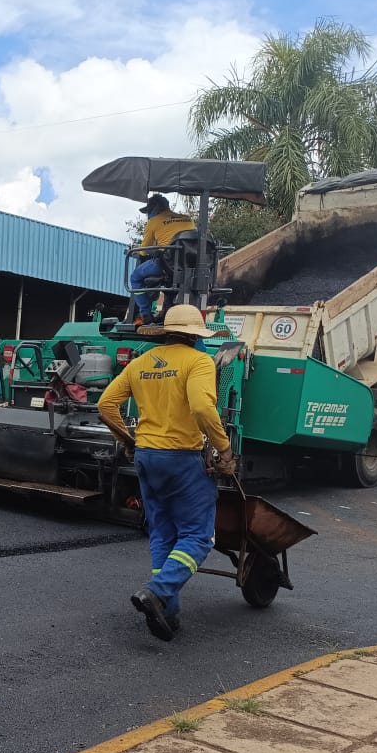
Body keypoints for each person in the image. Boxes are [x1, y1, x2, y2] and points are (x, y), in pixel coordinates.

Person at [96, 305, 237, 641]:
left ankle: (168, 613)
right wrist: (225, 449)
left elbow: (105, 405)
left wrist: (128, 441)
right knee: (199, 536)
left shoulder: (141, 362)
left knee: (162, 533)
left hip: (146, 457)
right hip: (181, 458)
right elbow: (203, 408)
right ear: (195, 335)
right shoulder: (198, 361)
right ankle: (158, 592)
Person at [130, 193, 196, 325]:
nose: (147, 215)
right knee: (171, 279)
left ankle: (145, 314)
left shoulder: (153, 222)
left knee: (135, 277)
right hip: (190, 264)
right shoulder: (187, 219)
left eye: (148, 211)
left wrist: (136, 252)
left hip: (167, 263)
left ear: (154, 208)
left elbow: (143, 251)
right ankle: (166, 310)